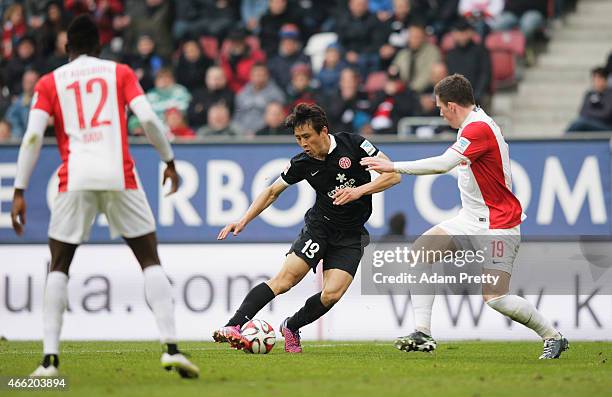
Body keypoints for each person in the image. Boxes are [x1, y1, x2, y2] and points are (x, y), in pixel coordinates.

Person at [10, 16, 199, 378]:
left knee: (59, 265)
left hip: (74, 178)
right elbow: (148, 119)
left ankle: (49, 360)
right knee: (150, 260)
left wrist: (19, 188)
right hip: (120, 177)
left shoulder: (50, 82)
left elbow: (33, 137)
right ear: (99, 47)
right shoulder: (121, 72)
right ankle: (171, 347)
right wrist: (169, 161)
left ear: (67, 49)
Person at [360, 74, 569, 360]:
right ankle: (423, 333)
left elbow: (443, 164)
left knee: (496, 299)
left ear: (452, 105)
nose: (440, 113)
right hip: (471, 219)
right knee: (421, 252)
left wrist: (393, 165)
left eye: (440, 108)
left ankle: (553, 336)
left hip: (498, 225)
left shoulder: (478, 128)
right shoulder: (473, 125)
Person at [213, 103, 400, 353]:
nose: (303, 143)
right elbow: (271, 191)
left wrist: (358, 192)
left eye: (307, 137)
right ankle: (233, 326)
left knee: (332, 294)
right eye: (298, 138)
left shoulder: (354, 145)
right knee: (284, 280)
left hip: (351, 234)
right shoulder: (301, 162)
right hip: (319, 227)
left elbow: (393, 175)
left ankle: (291, 325)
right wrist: (244, 219)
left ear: (324, 131)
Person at [566, 67, 612, 133]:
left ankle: (562, 141)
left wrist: (590, 115)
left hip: (606, 126)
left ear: (605, 80)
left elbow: (606, 114)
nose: (596, 82)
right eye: (594, 80)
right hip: (590, 123)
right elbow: (582, 112)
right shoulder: (590, 94)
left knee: (580, 123)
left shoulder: (610, 94)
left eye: (599, 79)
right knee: (579, 122)